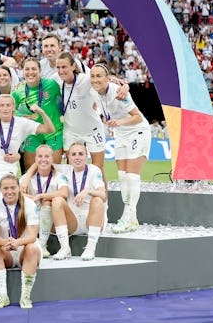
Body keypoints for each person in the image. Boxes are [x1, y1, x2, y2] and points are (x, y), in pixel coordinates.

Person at [90, 63, 150, 233]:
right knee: (123, 176)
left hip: (137, 131)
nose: (95, 79)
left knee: (132, 177)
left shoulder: (118, 92)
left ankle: (126, 217)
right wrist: (104, 120)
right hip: (120, 134)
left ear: (107, 78)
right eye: (93, 76)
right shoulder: (93, 92)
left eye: (99, 76)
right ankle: (133, 219)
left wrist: (119, 122)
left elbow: (137, 117)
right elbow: (96, 109)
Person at [0, 174, 42, 309]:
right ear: (0, 189)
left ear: (19, 188)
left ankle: (25, 296)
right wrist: (5, 243)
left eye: (13, 187)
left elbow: (32, 236)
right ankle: (2, 296)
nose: (9, 191)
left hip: (24, 249)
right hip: (6, 249)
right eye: (5, 188)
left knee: (32, 247)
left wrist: (18, 242)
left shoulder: (29, 204)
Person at [50, 142, 108, 261]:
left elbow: (103, 195)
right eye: (74, 154)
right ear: (68, 157)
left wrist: (88, 191)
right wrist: (27, 177)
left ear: (86, 156)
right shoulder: (64, 169)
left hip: (91, 219)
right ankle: (65, 248)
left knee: (97, 200)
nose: (77, 157)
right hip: (73, 220)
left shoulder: (93, 170)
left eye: (81, 154)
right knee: (57, 201)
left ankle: (91, 248)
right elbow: (41, 162)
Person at [55, 52, 107, 175]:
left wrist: (122, 84)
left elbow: (104, 81)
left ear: (73, 66)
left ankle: (102, 194)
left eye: (64, 67)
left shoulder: (86, 79)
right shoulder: (55, 80)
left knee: (98, 170)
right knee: (71, 169)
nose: (61, 71)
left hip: (93, 130)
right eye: (58, 67)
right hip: (71, 131)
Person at [0, 94, 54, 179]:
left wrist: (42, 112)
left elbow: (49, 130)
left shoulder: (22, 123)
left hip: (8, 169)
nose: (5, 108)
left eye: (8, 105)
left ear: (13, 107)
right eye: (1, 105)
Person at [12, 58, 63, 169]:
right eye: (27, 69)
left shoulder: (52, 85)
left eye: (34, 69)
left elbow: (66, 95)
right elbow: (9, 110)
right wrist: (22, 117)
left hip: (54, 132)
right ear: (22, 71)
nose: (30, 72)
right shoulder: (18, 91)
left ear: (40, 70)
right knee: (30, 171)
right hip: (33, 133)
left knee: (55, 170)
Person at [19, 144, 63, 257]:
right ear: (35, 159)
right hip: (30, 217)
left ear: (52, 159)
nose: (43, 159)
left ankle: (43, 245)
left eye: (47, 156)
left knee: (48, 202)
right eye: (40, 156)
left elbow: (64, 193)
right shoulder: (26, 179)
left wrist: (39, 196)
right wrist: (30, 198)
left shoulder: (59, 175)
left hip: (51, 219)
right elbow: (17, 195)